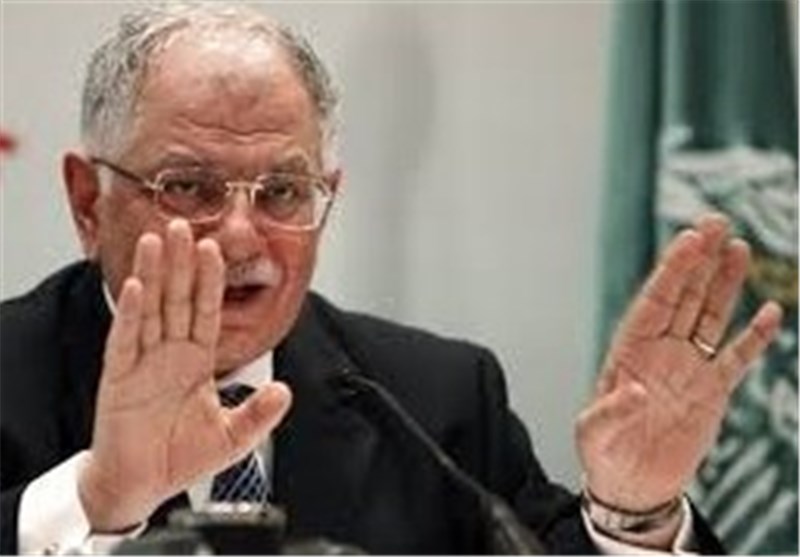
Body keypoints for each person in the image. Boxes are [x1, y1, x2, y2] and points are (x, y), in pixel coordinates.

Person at [0, 3, 783, 555]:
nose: (241, 234)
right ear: (88, 201)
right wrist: (100, 496)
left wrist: (632, 513)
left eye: (282, 191)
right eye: (189, 186)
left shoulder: (431, 397)